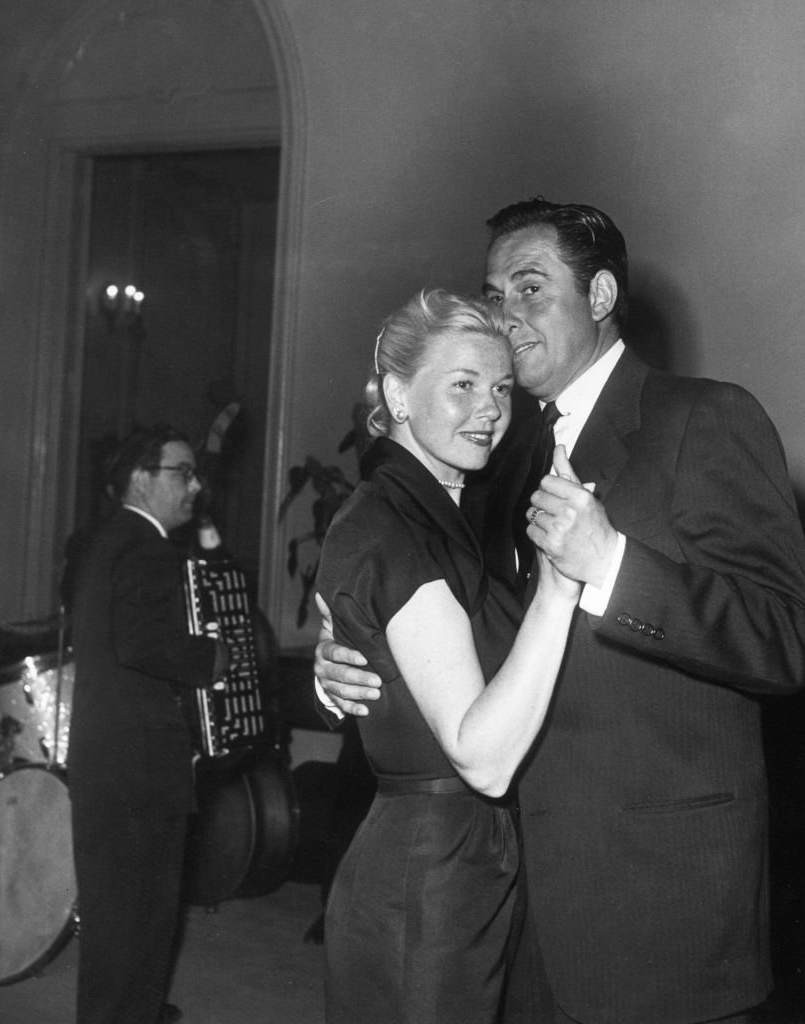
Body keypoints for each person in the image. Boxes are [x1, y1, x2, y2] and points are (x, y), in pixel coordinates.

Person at [316, 199, 805, 1024]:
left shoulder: (705, 418)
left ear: (599, 296)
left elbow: (790, 641)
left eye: (529, 287)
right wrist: (357, 658)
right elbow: (466, 630)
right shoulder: (495, 450)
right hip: (513, 898)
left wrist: (613, 564)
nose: (504, 315)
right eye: (493, 292)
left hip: (660, 905)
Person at [315, 289, 581, 1024]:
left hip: (467, 857)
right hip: (428, 873)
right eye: (462, 385)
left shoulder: (444, 510)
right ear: (398, 394)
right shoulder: (392, 524)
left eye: (499, 387)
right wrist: (561, 590)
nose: (490, 408)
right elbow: (481, 755)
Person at [67, 424, 230, 1024]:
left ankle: (130, 1011)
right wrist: (211, 657)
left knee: (119, 920)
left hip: (105, 760)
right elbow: (141, 643)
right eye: (181, 473)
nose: (195, 485)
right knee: (139, 916)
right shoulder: (148, 546)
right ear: (141, 479)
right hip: (137, 771)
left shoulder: (107, 540)